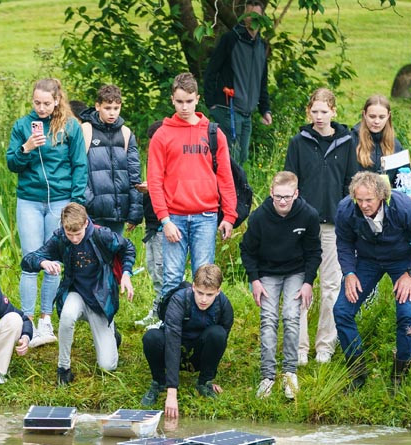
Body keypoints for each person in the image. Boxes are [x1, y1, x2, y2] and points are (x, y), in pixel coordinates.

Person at [333, 172, 411, 388]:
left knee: (407, 315)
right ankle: (357, 372)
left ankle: (400, 375)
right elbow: (344, 242)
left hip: (403, 261)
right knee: (341, 311)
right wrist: (349, 273)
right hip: (367, 260)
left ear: (381, 196)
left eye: (369, 200)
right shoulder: (345, 209)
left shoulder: (403, 208)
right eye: (359, 200)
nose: (363, 205)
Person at [7, 78, 88, 347]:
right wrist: (26, 148)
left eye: (46, 103)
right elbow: (12, 163)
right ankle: (27, 320)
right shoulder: (21, 126)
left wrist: (75, 203)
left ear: (56, 101)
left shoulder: (70, 126)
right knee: (31, 260)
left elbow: (79, 165)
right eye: (36, 103)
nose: (41, 108)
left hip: (61, 200)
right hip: (29, 200)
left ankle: (46, 319)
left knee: (53, 262)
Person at [21, 202, 135, 386]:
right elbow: (27, 261)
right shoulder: (60, 238)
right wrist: (43, 262)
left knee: (107, 366)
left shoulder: (102, 235)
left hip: (100, 300)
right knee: (66, 316)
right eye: (70, 234)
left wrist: (127, 274)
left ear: (85, 224)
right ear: (64, 227)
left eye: (78, 234)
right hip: (76, 294)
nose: (74, 239)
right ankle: (63, 368)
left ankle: (113, 335)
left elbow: (128, 248)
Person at [284, 87, 359, 366]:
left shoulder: (347, 142)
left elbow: (351, 184)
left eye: (324, 111)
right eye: (314, 111)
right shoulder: (298, 142)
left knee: (331, 286)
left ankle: (325, 344)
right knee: (302, 284)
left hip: (333, 226)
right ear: (309, 112)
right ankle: (300, 347)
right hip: (304, 224)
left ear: (333, 112)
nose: (318, 116)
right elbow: (290, 182)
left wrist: (347, 220)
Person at [148, 72, 237, 300]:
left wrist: (229, 215)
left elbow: (225, 177)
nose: (184, 107)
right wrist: (164, 220)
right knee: (172, 277)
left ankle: (203, 329)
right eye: (179, 102)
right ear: (172, 100)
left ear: (197, 98)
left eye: (189, 101)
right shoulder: (162, 135)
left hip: (206, 216)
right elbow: (155, 181)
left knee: (205, 276)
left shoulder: (214, 133)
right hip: (174, 217)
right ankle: (168, 327)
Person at [239, 171, 321, 399]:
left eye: (287, 196)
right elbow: (247, 250)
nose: (282, 202)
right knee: (268, 318)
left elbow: (314, 252)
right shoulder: (259, 217)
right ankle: (267, 376)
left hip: (297, 271)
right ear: (271, 194)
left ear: (296, 193)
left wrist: (308, 282)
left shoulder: (308, 215)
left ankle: (289, 373)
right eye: (278, 197)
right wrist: (254, 280)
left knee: (291, 316)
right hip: (267, 272)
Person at [140, 264, 233, 418]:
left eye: (209, 295)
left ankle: (205, 382)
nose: (203, 299)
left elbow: (221, 343)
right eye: (200, 293)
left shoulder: (224, 305)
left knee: (218, 334)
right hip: (175, 347)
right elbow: (172, 341)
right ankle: (159, 382)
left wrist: (211, 373)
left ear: (218, 291)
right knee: (151, 337)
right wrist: (172, 391)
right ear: (193, 287)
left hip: (198, 352)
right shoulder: (178, 300)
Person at [203, 0, 272, 164]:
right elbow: (212, 70)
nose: (252, 19)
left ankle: (236, 190)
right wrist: (211, 103)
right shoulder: (231, 39)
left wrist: (265, 110)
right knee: (230, 159)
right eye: (249, 15)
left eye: (256, 15)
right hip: (228, 109)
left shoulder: (262, 46)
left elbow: (261, 81)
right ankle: (223, 190)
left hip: (247, 113)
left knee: (242, 159)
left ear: (262, 18)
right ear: (244, 17)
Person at [79, 84, 143, 236]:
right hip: (93, 211)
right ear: (97, 106)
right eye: (107, 108)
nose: (112, 113)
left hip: (118, 210)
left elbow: (134, 174)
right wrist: (89, 202)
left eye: (116, 108)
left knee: (115, 256)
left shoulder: (126, 133)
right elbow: (78, 170)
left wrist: (135, 212)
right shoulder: (86, 130)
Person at [351, 95, 411, 202]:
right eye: (372, 116)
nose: (376, 121)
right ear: (364, 114)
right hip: (358, 202)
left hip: (387, 204)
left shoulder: (396, 145)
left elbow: (404, 181)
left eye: (381, 117)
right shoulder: (351, 141)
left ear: (388, 116)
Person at [135, 120, 166, 325]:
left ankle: (166, 315)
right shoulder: (153, 160)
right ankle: (157, 310)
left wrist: (155, 188)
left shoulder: (172, 158)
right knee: (153, 271)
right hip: (151, 225)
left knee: (164, 271)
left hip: (165, 225)